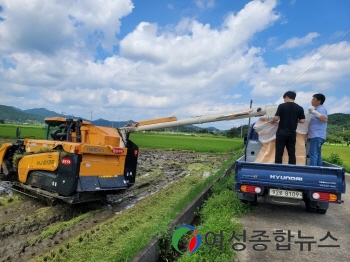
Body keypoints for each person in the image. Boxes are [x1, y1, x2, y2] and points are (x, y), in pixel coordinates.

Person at [271, 91, 305, 164]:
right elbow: (302, 120)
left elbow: (276, 118)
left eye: (284, 99)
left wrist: (272, 120)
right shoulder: (300, 108)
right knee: (292, 152)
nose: (284, 100)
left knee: (279, 152)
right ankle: (292, 168)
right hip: (292, 133)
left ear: (286, 96)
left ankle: (278, 168)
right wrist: (296, 120)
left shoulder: (282, 106)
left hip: (281, 132)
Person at [307, 93, 328, 166]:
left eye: (313, 99)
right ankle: (319, 170)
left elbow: (325, 119)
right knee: (317, 154)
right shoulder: (317, 109)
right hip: (318, 135)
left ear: (319, 101)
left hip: (316, 135)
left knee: (313, 154)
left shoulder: (320, 109)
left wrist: (313, 112)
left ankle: (313, 172)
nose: (311, 101)